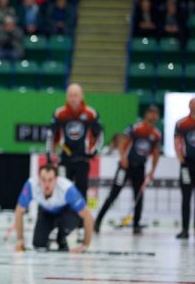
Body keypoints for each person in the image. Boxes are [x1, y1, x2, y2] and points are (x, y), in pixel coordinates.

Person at [94, 105, 161, 235]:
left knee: (139, 197)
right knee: (113, 194)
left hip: (140, 168)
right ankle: (98, 221)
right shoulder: (136, 128)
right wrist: (122, 157)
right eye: (151, 113)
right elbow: (121, 140)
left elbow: (156, 153)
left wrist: (153, 170)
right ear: (146, 114)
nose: (153, 116)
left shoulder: (156, 134)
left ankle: (136, 225)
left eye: (155, 113)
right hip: (125, 167)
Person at [14, 163, 94, 252]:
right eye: (43, 180)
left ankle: (63, 236)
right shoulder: (31, 185)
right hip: (46, 212)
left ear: (56, 179)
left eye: (50, 180)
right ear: (38, 178)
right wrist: (20, 239)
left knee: (65, 235)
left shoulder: (67, 188)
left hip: (66, 211)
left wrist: (85, 245)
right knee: (38, 244)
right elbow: (19, 211)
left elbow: (88, 216)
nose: (46, 184)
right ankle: (49, 238)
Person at [47, 83, 103, 200]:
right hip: (65, 159)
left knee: (81, 191)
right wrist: (50, 154)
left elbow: (100, 134)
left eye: (76, 95)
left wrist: (94, 151)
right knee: (62, 190)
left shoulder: (91, 113)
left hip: (83, 159)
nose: (73, 98)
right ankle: (62, 218)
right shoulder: (59, 113)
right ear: (67, 97)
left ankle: (80, 218)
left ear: (82, 96)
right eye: (70, 95)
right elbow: (50, 136)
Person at [174, 98, 195, 240]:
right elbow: (177, 143)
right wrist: (182, 161)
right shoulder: (182, 123)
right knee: (186, 198)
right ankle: (185, 230)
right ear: (189, 106)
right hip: (187, 164)